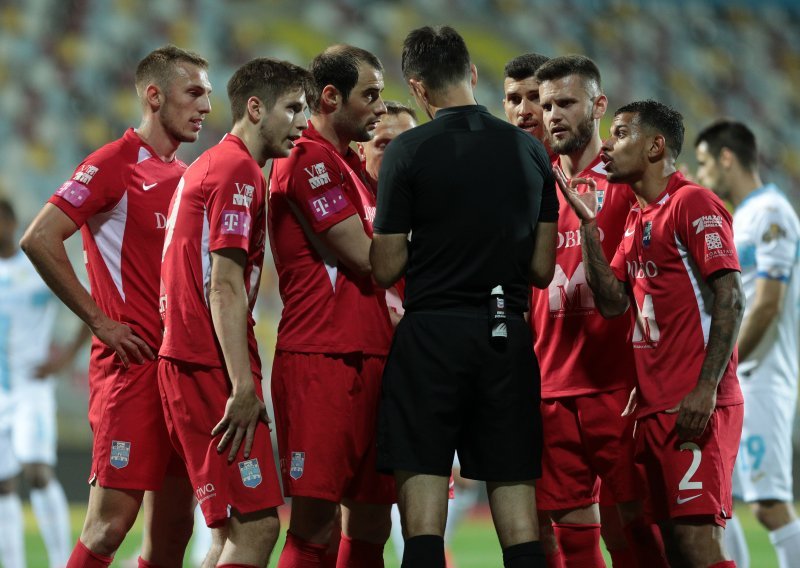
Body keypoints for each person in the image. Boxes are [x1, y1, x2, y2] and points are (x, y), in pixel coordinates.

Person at [371, 25, 558, 568]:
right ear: (472, 75)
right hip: (505, 331)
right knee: (519, 517)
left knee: (424, 521)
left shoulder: (406, 151)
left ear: (418, 89)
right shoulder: (529, 150)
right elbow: (542, 269)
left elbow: (385, 267)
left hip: (431, 334)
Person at [20, 45, 211, 568]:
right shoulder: (112, 163)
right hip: (132, 373)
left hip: (179, 375)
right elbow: (39, 239)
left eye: (209, 96)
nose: (206, 107)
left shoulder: (186, 176)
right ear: (154, 95)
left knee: (172, 535)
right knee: (108, 528)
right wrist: (101, 323)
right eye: (193, 93)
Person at [558, 99, 744, 567]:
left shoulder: (691, 202)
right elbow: (612, 301)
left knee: (698, 545)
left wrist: (706, 389)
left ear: (656, 146)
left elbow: (731, 297)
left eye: (620, 134)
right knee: (673, 548)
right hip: (654, 407)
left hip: (695, 405)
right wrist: (589, 228)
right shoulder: (638, 219)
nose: (608, 148)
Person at [158, 57, 310, 568]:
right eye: (292, 108)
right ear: (255, 107)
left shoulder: (209, 164)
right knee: (260, 525)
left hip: (189, 359)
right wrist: (244, 387)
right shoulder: (238, 170)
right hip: (209, 365)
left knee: (226, 533)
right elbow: (222, 285)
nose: (303, 122)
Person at [527, 54, 667, 568]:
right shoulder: (534, 184)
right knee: (570, 532)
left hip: (620, 386)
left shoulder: (630, 181)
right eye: (547, 105)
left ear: (599, 105)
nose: (554, 114)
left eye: (566, 102)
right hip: (551, 387)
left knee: (637, 526)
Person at [268, 44, 396, 568]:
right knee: (315, 523)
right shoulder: (306, 161)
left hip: (373, 358)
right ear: (330, 96)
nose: (380, 107)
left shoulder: (350, 167)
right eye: (369, 95)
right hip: (322, 361)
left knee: (371, 518)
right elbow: (368, 258)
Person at [695, 119, 800, 568]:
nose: (701, 176)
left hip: (762, 378)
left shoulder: (772, 213)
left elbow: (767, 304)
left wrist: (727, 364)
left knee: (770, 504)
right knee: (716, 502)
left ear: (725, 157)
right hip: (740, 379)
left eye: (703, 164)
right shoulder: (742, 218)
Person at [0, 197, 88, 568]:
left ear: (10, 220)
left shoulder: (35, 265)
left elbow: (88, 304)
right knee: (3, 486)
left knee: (37, 473)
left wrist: (66, 357)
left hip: (32, 388)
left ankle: (58, 561)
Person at [502, 53, 551, 154]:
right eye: (515, 99)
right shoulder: (494, 165)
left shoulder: (583, 166)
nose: (524, 111)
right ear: (505, 108)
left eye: (535, 97)